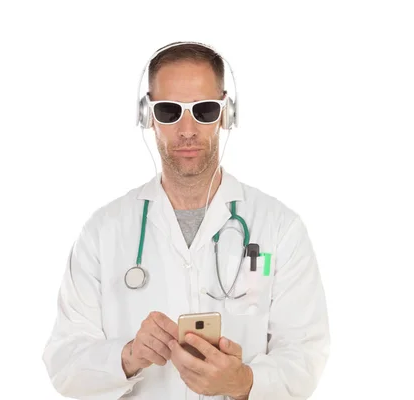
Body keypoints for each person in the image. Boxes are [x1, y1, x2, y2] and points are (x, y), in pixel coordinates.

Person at [41, 41, 330, 399]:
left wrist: (243, 383)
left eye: (205, 110)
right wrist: (128, 356)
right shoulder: (104, 231)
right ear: (148, 116)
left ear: (227, 114)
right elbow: (64, 363)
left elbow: (306, 354)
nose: (187, 129)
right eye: (169, 111)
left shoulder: (279, 228)